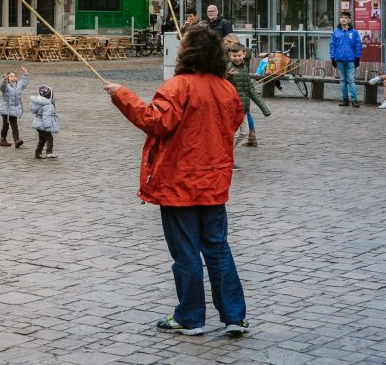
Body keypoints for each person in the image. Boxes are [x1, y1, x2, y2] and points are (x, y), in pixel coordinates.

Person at [104, 26, 248, 336]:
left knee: (187, 253)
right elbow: (235, 120)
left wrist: (122, 94)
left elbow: (155, 122)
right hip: (213, 182)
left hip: (179, 184)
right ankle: (234, 315)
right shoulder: (227, 88)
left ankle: (190, 317)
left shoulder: (178, 86)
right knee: (217, 249)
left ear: (187, 53)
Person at [227, 42, 270, 154]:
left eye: (239, 55)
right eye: (234, 56)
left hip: (244, 107)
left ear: (244, 54)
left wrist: (264, 109)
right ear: (230, 55)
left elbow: (251, 89)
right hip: (232, 108)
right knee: (235, 134)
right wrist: (228, 76)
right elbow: (219, 83)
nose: (237, 58)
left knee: (244, 133)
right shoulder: (228, 68)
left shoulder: (245, 68)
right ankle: (226, 157)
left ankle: (226, 153)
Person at [329, 11, 362, 108]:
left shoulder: (354, 32)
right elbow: (332, 45)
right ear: (340, 19)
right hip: (339, 60)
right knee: (343, 80)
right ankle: (345, 100)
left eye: (346, 17)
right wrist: (332, 58)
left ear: (349, 20)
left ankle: (354, 100)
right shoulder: (336, 32)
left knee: (351, 80)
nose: (344, 19)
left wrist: (357, 58)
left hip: (351, 60)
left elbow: (358, 45)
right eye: (342, 17)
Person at [0, 66, 29, 148]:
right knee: (5, 126)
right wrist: (4, 80)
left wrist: (25, 74)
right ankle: (3, 140)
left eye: (15, 76)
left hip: (14, 110)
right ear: (8, 79)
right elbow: (1, 87)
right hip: (6, 110)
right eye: (11, 76)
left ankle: (17, 141)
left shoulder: (19, 85)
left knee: (15, 126)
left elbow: (24, 82)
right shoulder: (6, 87)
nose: (13, 78)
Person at [31, 84, 59, 159]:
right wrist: (48, 126)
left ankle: (38, 153)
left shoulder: (40, 103)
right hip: (43, 126)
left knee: (42, 139)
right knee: (49, 138)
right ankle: (49, 152)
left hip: (38, 125)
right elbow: (46, 117)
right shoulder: (48, 106)